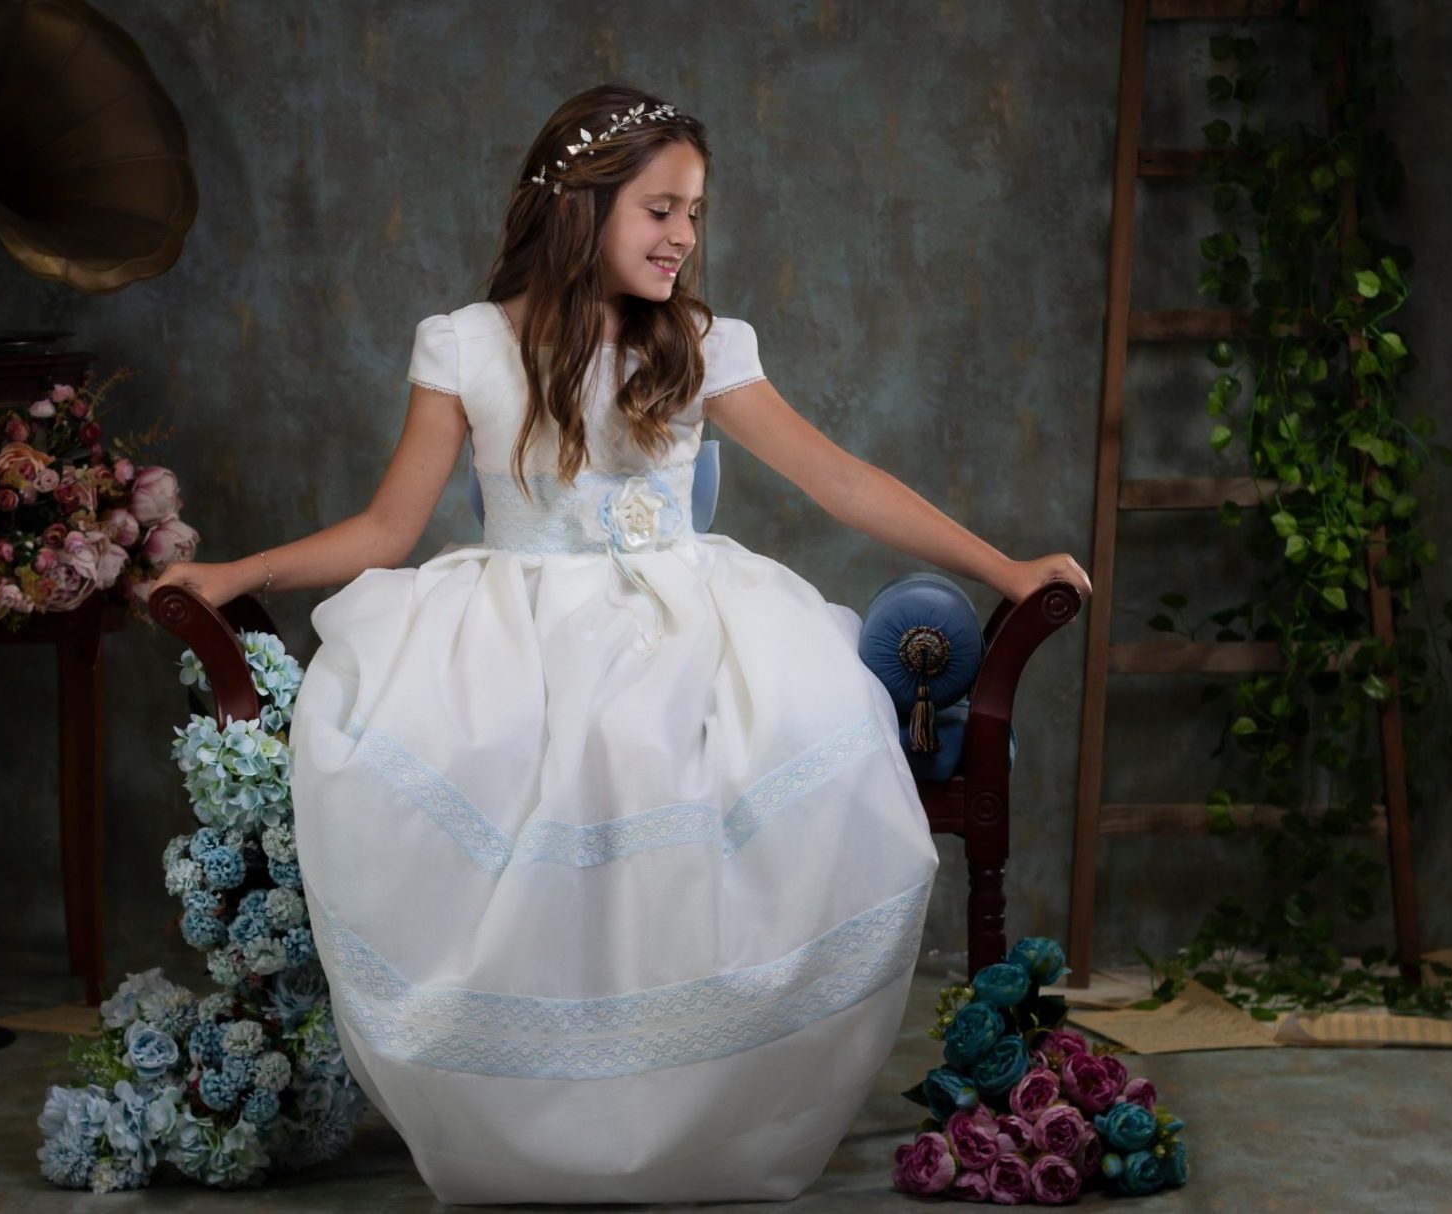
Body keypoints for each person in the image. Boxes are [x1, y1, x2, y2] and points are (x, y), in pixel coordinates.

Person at [150, 83, 1090, 1205]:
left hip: (686, 614)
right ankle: (534, 1121)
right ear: (580, 207)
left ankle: (708, 1113)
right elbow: (388, 529)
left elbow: (839, 478)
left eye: (695, 212)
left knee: (736, 730)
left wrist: (1007, 568)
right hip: (517, 619)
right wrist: (232, 573)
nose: (683, 236)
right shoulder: (466, 345)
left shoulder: (698, 341)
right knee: (500, 749)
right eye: (659, 209)